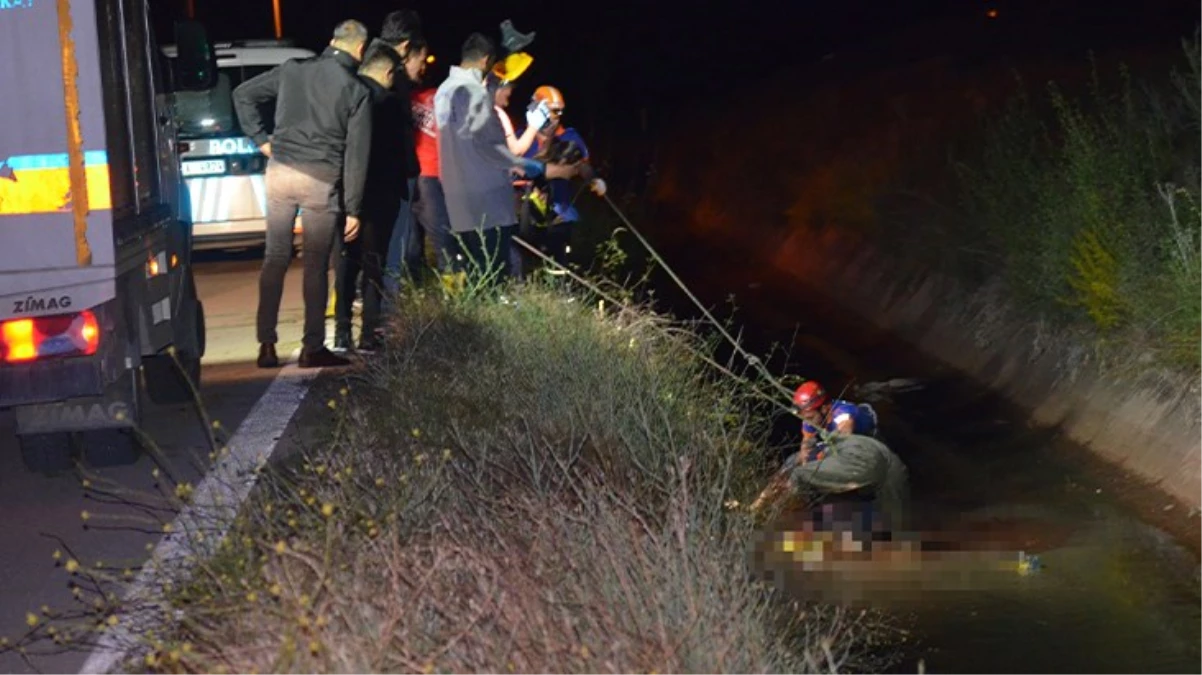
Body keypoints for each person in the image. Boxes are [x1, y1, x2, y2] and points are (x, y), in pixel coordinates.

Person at [233, 20, 372, 369]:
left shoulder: (293, 70)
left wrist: (261, 140)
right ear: (360, 50)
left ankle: (266, 345)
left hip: (279, 173)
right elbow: (357, 155)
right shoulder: (356, 90)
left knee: (275, 257)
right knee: (314, 265)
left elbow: (243, 95)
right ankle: (313, 347)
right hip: (319, 179)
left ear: (331, 41)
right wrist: (353, 207)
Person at [433, 33, 574, 280]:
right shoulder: (472, 94)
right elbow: (497, 153)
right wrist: (549, 170)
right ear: (486, 61)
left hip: (460, 201)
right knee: (491, 278)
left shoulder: (445, 90)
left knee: (476, 273)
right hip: (485, 205)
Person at [333, 43, 406, 353]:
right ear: (388, 72)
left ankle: (341, 331)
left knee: (346, 262)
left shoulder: (343, 94)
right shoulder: (387, 102)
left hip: (344, 192)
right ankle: (369, 333)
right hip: (379, 193)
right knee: (373, 263)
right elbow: (398, 151)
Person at [517, 85, 607, 273]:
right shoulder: (521, 138)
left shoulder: (569, 138)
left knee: (559, 262)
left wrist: (594, 179)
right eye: (550, 112)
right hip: (526, 211)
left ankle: (560, 292)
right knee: (522, 260)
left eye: (558, 113)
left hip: (560, 211)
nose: (554, 118)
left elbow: (582, 165)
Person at [379, 10, 428, 292]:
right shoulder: (392, 80)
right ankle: (391, 320)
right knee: (396, 251)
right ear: (407, 48)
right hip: (396, 178)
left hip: (390, 177)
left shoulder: (378, 73)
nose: (422, 67)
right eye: (420, 60)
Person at [791, 380, 879, 463]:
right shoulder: (811, 416)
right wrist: (804, 456)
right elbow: (807, 443)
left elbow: (843, 442)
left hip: (866, 434)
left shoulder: (843, 414)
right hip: (837, 435)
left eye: (810, 418)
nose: (807, 422)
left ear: (824, 408)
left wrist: (822, 456)